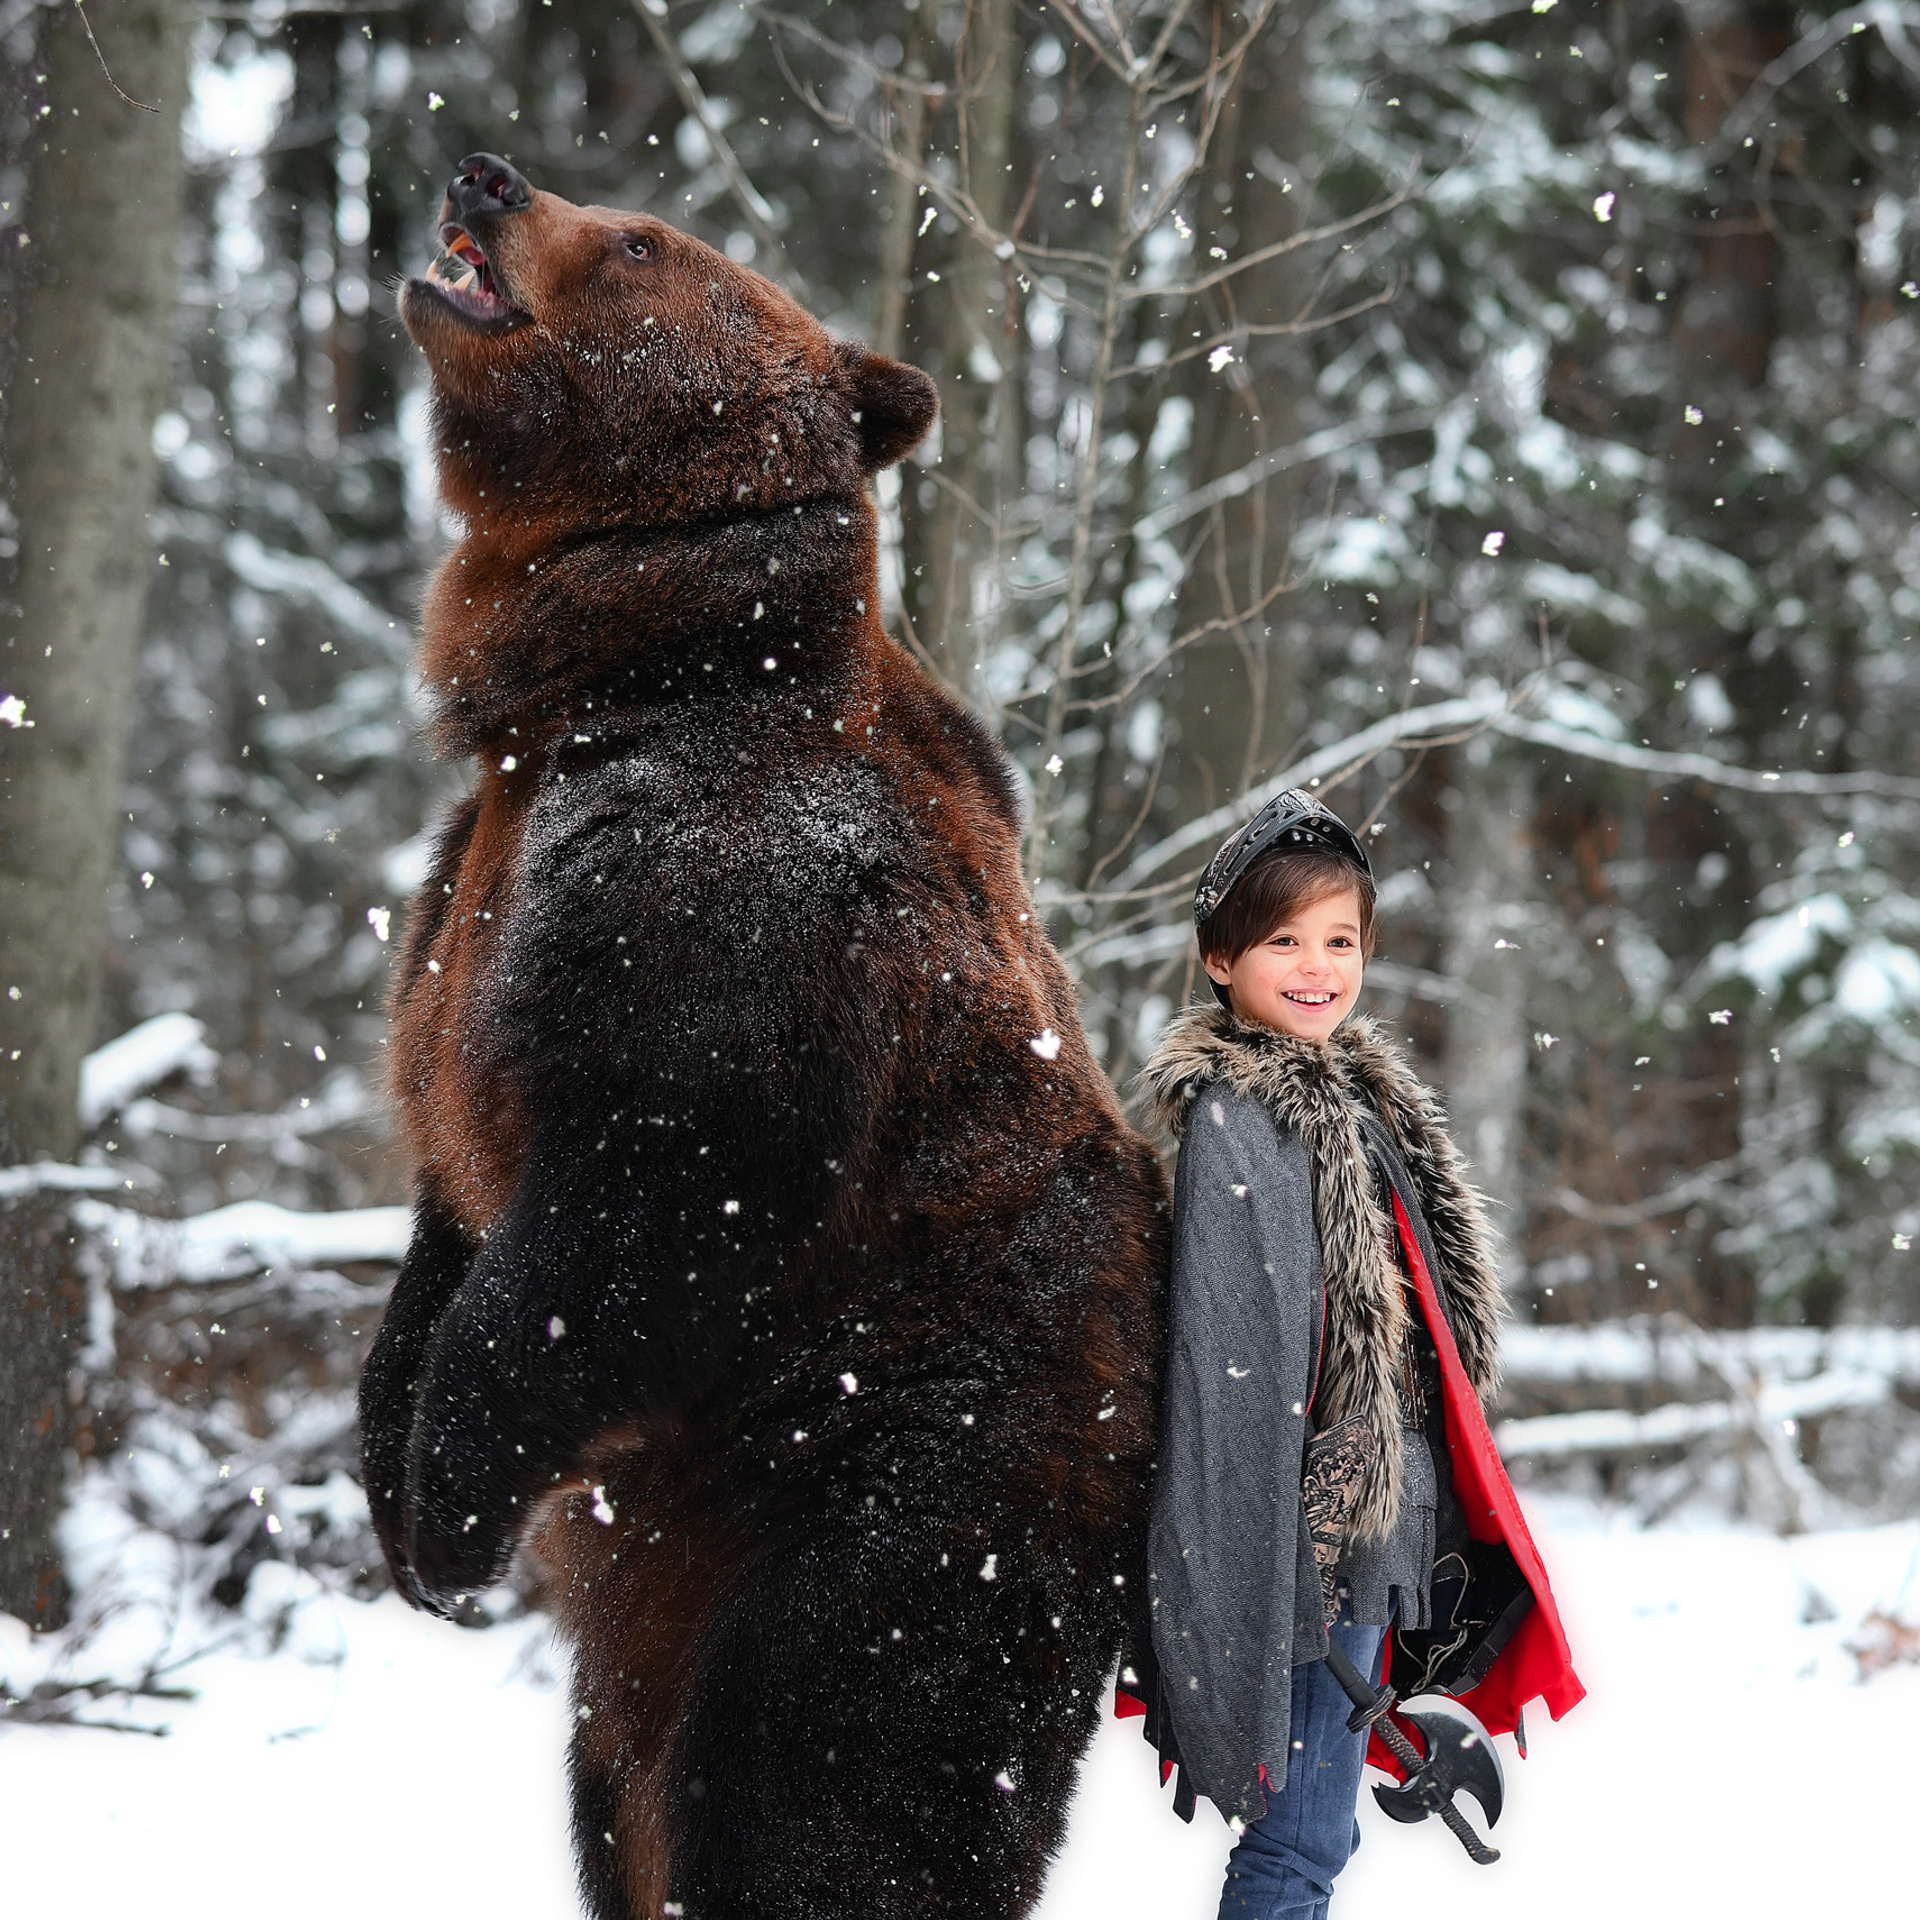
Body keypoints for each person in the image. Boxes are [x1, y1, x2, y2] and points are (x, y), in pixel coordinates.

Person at [1119, 790, 1583, 1920]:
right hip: (1310, 1555)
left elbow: (1397, 1349)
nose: (1317, 966)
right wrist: (1283, 1575)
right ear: (1219, 957)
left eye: (1341, 941)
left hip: (1364, 1545)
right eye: (1284, 939)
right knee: (1299, 1844)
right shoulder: (1244, 1117)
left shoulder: (1354, 1108)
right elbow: (1232, 1374)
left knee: (1311, 1838)